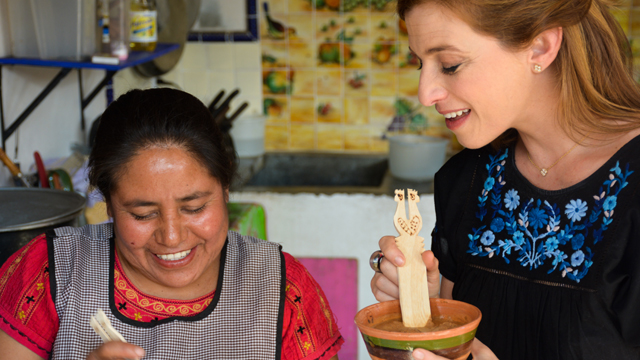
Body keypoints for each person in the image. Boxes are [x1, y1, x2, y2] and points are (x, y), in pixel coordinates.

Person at [370, 0, 640, 359]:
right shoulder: (466, 180)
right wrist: (432, 311)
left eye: (450, 65)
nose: (425, 93)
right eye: (420, 63)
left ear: (541, 46)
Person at [0, 88, 344, 360]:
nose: (172, 236)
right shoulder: (49, 272)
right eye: (142, 214)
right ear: (107, 204)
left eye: (194, 207)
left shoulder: (282, 290)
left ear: (225, 190)